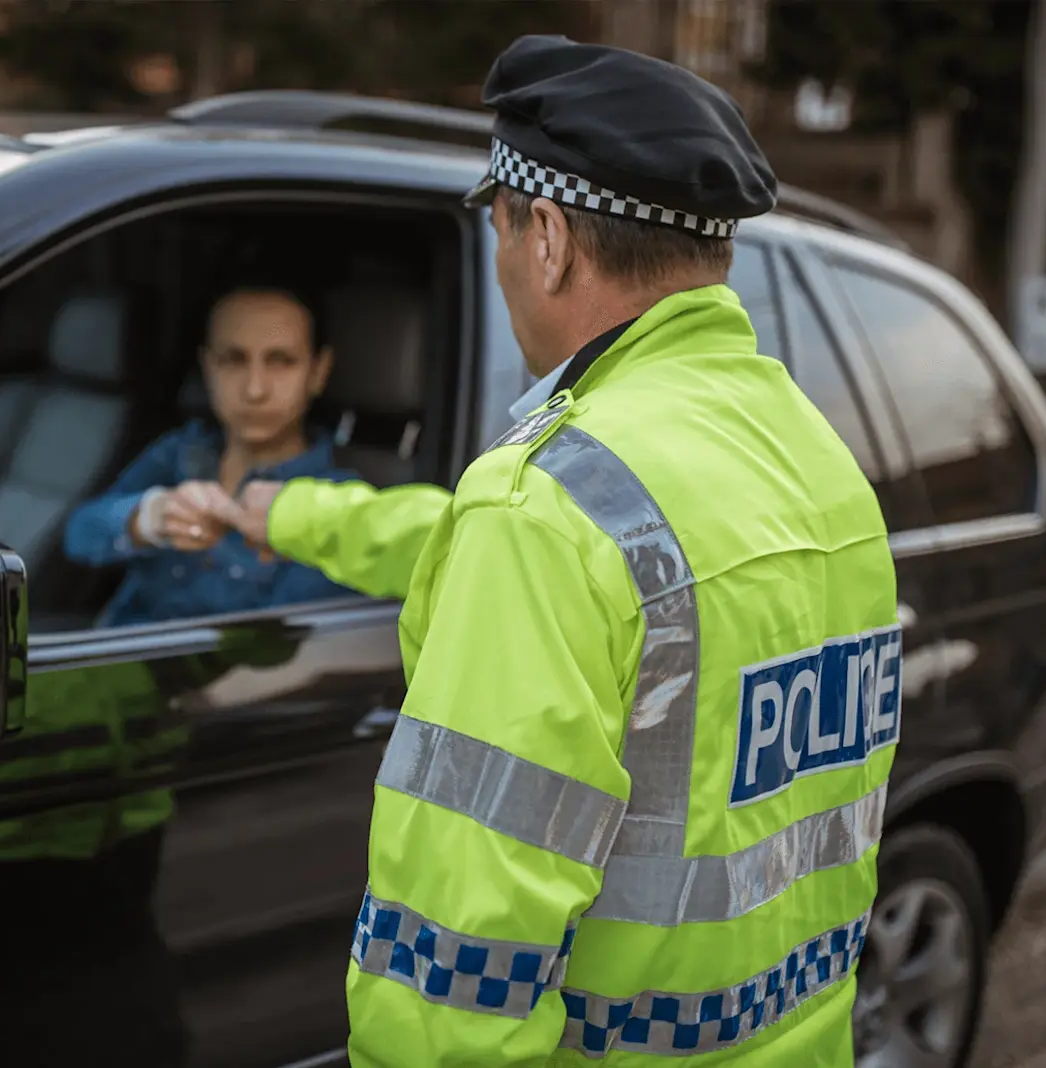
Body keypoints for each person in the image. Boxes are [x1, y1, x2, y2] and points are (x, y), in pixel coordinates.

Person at [224, 37, 901, 1067]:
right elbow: (598, 569)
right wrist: (287, 514)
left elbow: (449, 987)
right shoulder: (818, 465)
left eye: (498, 229)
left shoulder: (546, 506)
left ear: (545, 237)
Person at [62, 282, 360, 626]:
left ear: (318, 372)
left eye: (281, 362)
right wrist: (149, 517)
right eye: (233, 360)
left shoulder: (335, 502)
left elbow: (281, 651)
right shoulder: (182, 451)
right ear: (207, 367)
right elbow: (79, 535)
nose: (255, 389)